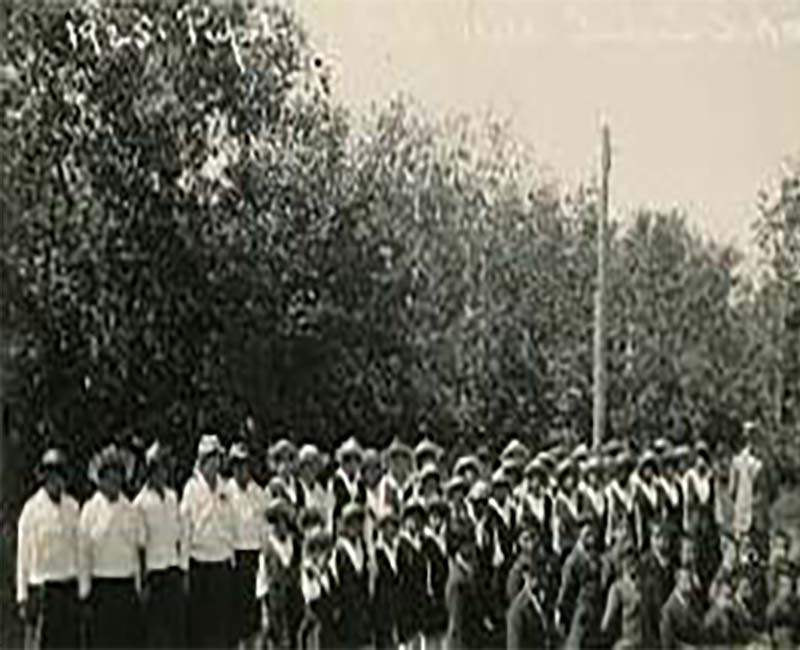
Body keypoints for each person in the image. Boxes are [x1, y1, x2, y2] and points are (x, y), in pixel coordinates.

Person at [79, 443, 145, 649]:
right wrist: (85, 592)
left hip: (126, 590)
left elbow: (139, 549)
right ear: (100, 479)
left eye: (118, 474)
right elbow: (83, 554)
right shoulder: (89, 510)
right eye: (109, 475)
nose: (114, 479)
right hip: (100, 591)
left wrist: (139, 586)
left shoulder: (132, 510)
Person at [16, 448, 81, 650]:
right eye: (51, 474)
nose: (56, 480)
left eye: (60, 474)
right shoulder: (31, 509)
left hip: (68, 589)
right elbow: (23, 555)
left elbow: (79, 550)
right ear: (44, 477)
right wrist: (22, 596)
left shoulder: (73, 507)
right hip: (42, 592)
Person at [180, 434, 236, 649]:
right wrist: (184, 569)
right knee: (200, 625)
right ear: (201, 460)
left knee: (220, 625)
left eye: (218, 458)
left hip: (221, 562)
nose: (215, 463)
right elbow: (185, 530)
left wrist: (231, 556)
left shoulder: (225, 488)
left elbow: (230, 523)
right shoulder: (191, 489)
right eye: (210, 458)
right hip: (199, 563)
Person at [133, 441, 186, 648]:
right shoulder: (140, 503)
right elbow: (140, 547)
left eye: (165, 467)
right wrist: (143, 583)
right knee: (155, 636)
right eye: (158, 468)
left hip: (172, 571)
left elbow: (178, 536)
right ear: (150, 470)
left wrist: (182, 571)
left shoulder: (173, 497)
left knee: (176, 634)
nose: (163, 473)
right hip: (154, 575)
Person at [226, 442, 266, 649]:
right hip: (234, 559)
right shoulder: (225, 492)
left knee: (255, 615)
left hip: (255, 558)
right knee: (236, 617)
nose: (242, 470)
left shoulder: (259, 494)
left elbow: (264, 530)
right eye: (237, 465)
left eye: (245, 465)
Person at [261, 497, 303, 650]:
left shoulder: (296, 544)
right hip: (276, 602)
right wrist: (265, 613)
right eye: (276, 522)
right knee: (278, 641)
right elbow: (263, 581)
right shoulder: (268, 548)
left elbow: (301, 572)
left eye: (284, 521)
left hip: (294, 600)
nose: (281, 526)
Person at [329, 502, 372, 648]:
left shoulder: (363, 548)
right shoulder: (339, 551)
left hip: (361, 609)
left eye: (358, 523)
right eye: (351, 523)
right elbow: (334, 582)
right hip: (346, 611)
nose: (355, 527)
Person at [556, 523, 603, 650]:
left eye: (593, 533)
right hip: (579, 620)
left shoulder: (596, 557)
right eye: (587, 534)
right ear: (578, 534)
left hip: (595, 620)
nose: (592, 538)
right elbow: (566, 595)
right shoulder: (573, 561)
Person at [730, 420, 771, 559]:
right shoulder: (759, 464)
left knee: (749, 561)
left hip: (747, 520)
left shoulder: (738, 462)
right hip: (752, 521)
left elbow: (732, 492)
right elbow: (767, 493)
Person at [684, 440, 720, 595]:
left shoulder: (711, 477)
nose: (701, 461)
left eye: (704, 457)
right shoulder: (689, 477)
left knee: (710, 560)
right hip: (695, 524)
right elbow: (686, 503)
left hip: (709, 526)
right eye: (699, 457)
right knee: (695, 561)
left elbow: (715, 502)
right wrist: (686, 525)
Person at [445, 521, 488, 650]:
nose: (473, 547)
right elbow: (456, 623)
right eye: (468, 544)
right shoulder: (458, 581)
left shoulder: (470, 572)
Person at [397, 497, 427, 648]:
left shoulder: (425, 544)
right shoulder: (400, 546)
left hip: (420, 605)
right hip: (405, 605)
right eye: (411, 517)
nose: (415, 521)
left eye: (419, 517)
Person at [639, 521, 675, 649]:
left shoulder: (673, 564)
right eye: (658, 537)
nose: (662, 541)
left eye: (665, 537)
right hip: (651, 626)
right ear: (651, 540)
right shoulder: (645, 564)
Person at [298, 528, 334, 650]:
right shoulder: (309, 570)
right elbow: (311, 593)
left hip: (327, 616)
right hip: (315, 610)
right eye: (319, 550)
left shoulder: (328, 571)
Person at [421, 496, 450, 650]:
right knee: (430, 640)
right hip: (430, 595)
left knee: (443, 637)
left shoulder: (445, 538)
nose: (436, 520)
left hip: (443, 594)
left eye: (440, 516)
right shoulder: (425, 541)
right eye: (433, 516)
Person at [600, 548, 643, 649]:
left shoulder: (646, 586)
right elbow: (608, 620)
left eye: (634, 562)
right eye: (627, 562)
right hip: (625, 642)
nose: (632, 565)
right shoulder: (617, 589)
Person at [506, 553, 548, 650]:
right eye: (533, 575)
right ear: (525, 576)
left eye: (541, 574)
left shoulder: (545, 601)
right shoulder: (517, 611)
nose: (537, 580)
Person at [372, 511, 401, 650]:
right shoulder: (376, 553)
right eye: (387, 526)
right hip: (382, 608)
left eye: (394, 526)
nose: (391, 530)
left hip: (397, 606)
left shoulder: (399, 551)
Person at [659, 566, 706, 649]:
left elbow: (701, 625)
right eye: (685, 581)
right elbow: (667, 643)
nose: (689, 584)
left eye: (689, 580)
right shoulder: (668, 609)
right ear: (677, 582)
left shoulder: (694, 601)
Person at [331, 437, 367, 531]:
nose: (352, 463)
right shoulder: (335, 481)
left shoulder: (361, 484)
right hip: (340, 526)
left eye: (356, 459)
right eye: (347, 459)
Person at [765, 560, 800, 649]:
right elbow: (770, 624)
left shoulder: (795, 603)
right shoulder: (774, 607)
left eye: (787, 585)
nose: (784, 589)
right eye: (782, 585)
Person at [633, 450, 661, 553]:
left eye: (651, 469)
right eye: (646, 469)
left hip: (657, 529)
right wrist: (640, 537)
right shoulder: (639, 490)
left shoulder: (658, 488)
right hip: (645, 529)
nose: (649, 472)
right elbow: (638, 515)